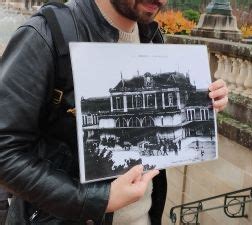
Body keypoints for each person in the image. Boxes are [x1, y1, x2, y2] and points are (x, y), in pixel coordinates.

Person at [0, 0, 229, 224]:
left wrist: (204, 103)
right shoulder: (45, 33)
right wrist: (96, 200)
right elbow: (4, 152)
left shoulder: (151, 37)